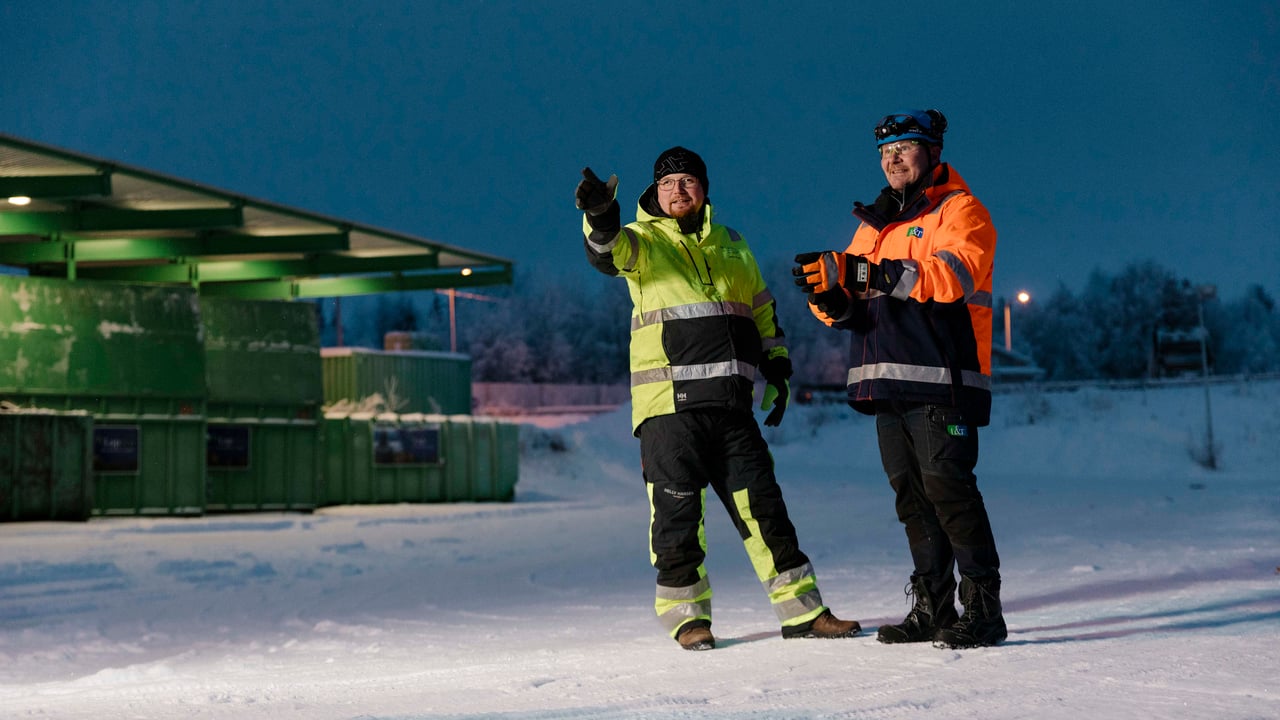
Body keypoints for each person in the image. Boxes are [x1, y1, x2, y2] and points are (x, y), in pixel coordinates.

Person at [575, 146, 861, 651]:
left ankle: (803, 611)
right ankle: (688, 620)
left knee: (766, 510)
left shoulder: (732, 243)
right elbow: (606, 252)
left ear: (704, 189)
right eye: (668, 184)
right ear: (654, 193)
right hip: (669, 408)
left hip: (731, 407)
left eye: (687, 181)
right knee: (678, 516)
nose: (678, 191)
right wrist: (599, 216)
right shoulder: (641, 242)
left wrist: (777, 367)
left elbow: (759, 308)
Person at [791, 110, 1007, 649]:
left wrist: (864, 272)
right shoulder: (874, 223)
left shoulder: (960, 210)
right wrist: (827, 295)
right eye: (886, 152)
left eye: (904, 148)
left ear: (932, 152)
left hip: (943, 378)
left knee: (949, 491)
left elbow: (950, 276)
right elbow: (852, 305)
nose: (893, 159)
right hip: (886, 382)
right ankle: (934, 607)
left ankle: (983, 609)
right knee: (912, 500)